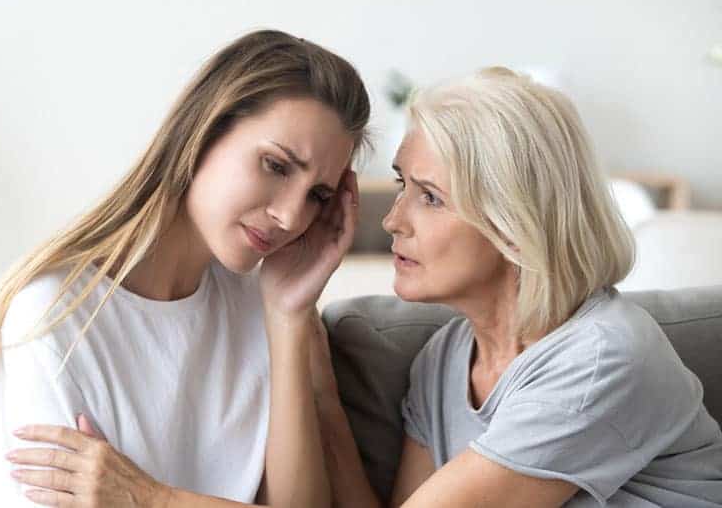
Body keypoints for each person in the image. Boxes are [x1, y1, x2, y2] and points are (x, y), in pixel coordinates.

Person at [0, 29, 370, 507]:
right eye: (276, 166)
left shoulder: (265, 309)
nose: (290, 215)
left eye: (317, 196)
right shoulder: (53, 314)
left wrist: (287, 317)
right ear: (202, 132)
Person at [308, 68, 722, 507]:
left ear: (513, 223)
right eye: (401, 185)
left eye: (430, 197)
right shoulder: (443, 359)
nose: (392, 220)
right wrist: (312, 363)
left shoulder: (602, 358)